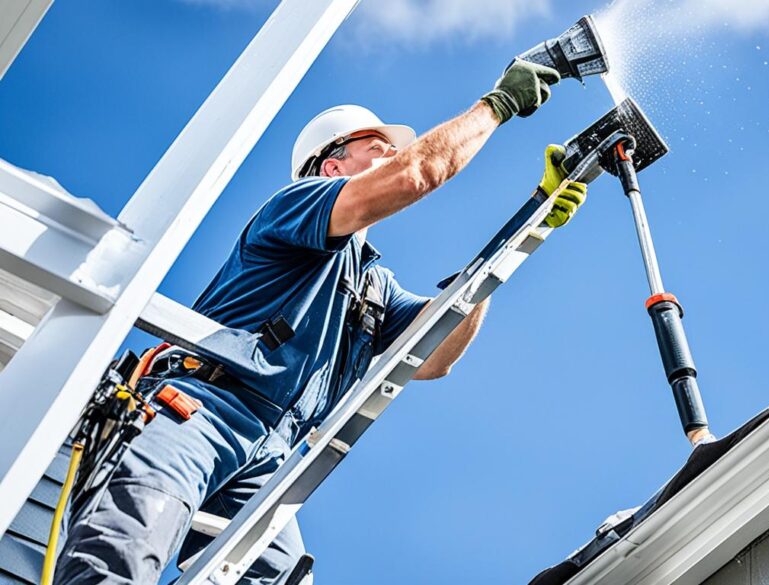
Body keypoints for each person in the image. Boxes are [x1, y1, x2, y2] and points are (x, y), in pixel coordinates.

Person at [56, 59, 588, 584]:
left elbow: (434, 356)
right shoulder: (296, 205)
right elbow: (415, 173)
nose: (393, 154)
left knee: (278, 577)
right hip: (203, 408)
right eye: (377, 148)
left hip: (275, 454)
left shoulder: (372, 285)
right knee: (124, 546)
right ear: (331, 166)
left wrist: (526, 224)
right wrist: (499, 104)